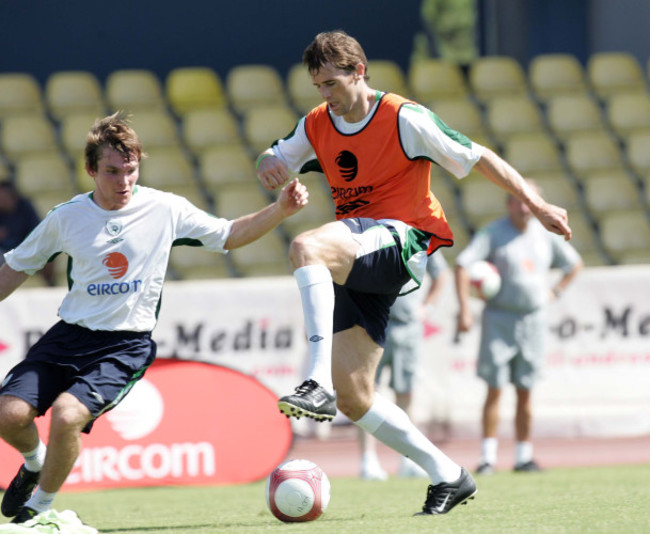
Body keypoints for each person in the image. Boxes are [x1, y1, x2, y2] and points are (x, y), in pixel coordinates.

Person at [256, 30, 572, 515]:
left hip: (403, 239)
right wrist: (269, 168)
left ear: (358, 72)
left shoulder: (404, 117)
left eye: (331, 83)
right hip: (359, 250)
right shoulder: (318, 122)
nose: (325, 95)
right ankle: (450, 475)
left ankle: (313, 380)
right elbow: (275, 155)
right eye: (318, 86)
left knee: (305, 247)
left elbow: (479, 156)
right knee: (355, 397)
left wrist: (538, 203)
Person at [0, 111, 308, 524]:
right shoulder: (66, 217)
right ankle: (34, 463)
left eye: (130, 170)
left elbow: (229, 235)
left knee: (67, 415)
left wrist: (281, 210)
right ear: (91, 170)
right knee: (9, 415)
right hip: (68, 335)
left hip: (123, 345)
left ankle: (38, 512)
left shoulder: (164, 208)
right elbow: (17, 267)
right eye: (112, 171)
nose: (124, 181)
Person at [454, 180, 582, 475]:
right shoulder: (493, 233)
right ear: (508, 204)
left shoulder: (545, 234)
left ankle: (524, 455)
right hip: (499, 318)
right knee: (494, 389)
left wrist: (555, 292)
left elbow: (573, 264)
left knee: (526, 390)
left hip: (532, 320)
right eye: (517, 201)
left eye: (529, 201)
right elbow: (463, 265)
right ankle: (488, 458)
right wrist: (465, 309)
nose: (523, 207)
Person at [359, 252, 448, 481]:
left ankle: (409, 459)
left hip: (408, 328)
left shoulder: (422, 237)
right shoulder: (371, 232)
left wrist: (427, 308)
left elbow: (441, 275)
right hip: (372, 326)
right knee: (365, 395)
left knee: (406, 395)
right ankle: (368, 460)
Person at [0, 181, 56, 286]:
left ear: (11, 195)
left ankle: (51, 285)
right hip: (4, 251)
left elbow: (38, 230)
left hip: (26, 247)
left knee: (49, 253)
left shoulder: (25, 206)